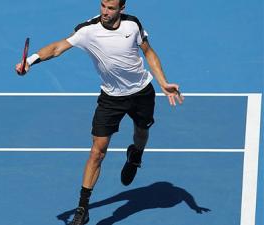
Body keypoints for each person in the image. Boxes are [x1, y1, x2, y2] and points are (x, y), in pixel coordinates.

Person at [15, 0, 184, 224]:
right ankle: (82, 209)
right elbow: (57, 48)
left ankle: (135, 156)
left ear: (121, 9)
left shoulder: (133, 25)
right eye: (103, 5)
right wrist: (31, 60)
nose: (105, 11)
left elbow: (149, 52)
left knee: (141, 134)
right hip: (111, 98)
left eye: (111, 7)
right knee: (97, 151)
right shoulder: (88, 30)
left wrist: (163, 82)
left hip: (142, 92)